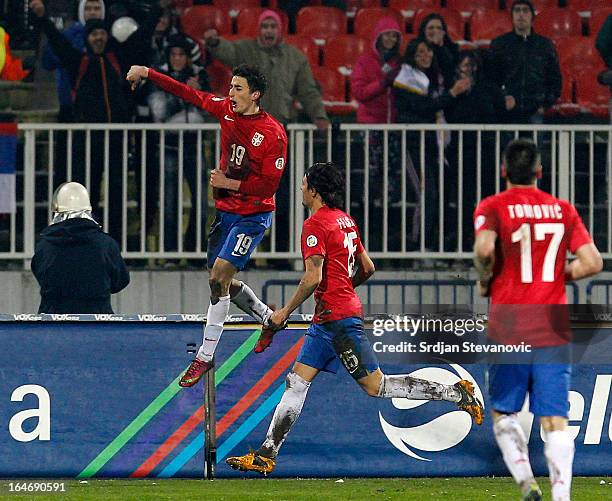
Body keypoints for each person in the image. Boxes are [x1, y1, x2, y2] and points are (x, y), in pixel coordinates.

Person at [225, 161, 484, 476]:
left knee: (376, 386)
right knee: (296, 382)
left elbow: (311, 277)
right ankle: (267, 454)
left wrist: (284, 312)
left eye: (304, 183)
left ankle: (455, 392)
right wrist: (343, 289)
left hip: (337, 319)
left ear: (315, 190)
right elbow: (368, 267)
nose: (301, 188)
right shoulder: (345, 220)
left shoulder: (316, 225)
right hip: (327, 319)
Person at [126, 63, 288, 387]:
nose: (231, 94)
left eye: (238, 88)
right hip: (226, 211)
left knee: (218, 277)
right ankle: (267, 319)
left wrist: (228, 181)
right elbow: (187, 93)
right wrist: (147, 72)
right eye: (230, 87)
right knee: (220, 283)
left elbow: (269, 187)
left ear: (255, 95)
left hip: (253, 216)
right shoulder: (225, 110)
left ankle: (205, 356)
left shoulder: (273, 134)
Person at [473, 139, 602, 501]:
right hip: (552, 323)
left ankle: (527, 481)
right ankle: (562, 496)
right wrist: (560, 276)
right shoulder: (562, 209)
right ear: (539, 172)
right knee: (555, 421)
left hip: (510, 323)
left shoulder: (494, 205)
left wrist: (486, 276)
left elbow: (485, 250)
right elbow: (593, 262)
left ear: (504, 170)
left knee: (503, 411)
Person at [29, 0, 164, 242]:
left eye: (102, 33)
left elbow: (142, 35)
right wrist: (41, 18)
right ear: (87, 38)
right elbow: (57, 41)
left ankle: (114, 241)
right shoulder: (77, 60)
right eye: (94, 34)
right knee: (86, 191)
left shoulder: (120, 57)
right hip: (87, 141)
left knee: (116, 191)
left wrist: (157, 11)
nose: (99, 38)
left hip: (116, 140)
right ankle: (86, 240)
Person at [393, 38, 471, 251]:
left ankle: (429, 245)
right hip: (413, 144)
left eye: (428, 51)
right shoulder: (406, 78)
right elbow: (423, 107)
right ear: (411, 54)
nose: (425, 55)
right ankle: (419, 247)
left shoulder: (432, 78)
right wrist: (453, 93)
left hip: (430, 146)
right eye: (419, 51)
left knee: (437, 195)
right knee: (426, 194)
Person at [203, 9, 329, 129]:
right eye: (265, 26)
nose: (269, 31)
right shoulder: (246, 50)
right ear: (259, 30)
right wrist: (215, 43)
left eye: (273, 27)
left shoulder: (296, 57)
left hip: (282, 124)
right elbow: (229, 52)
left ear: (280, 30)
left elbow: (308, 91)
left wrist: (319, 116)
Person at [146, 33, 212, 252]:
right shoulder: (160, 79)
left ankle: (195, 249)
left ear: (188, 58)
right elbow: (159, 113)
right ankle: (170, 252)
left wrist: (198, 92)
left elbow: (211, 111)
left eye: (181, 55)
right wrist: (186, 94)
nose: (177, 59)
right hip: (168, 147)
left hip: (194, 146)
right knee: (169, 203)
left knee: (201, 202)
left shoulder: (199, 77)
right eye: (173, 54)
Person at [32, 182, 130, 313]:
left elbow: (41, 275)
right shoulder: (106, 244)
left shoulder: (45, 246)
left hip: (52, 323)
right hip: (98, 323)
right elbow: (120, 281)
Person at [486, 0, 561, 124]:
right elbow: (490, 79)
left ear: (532, 17)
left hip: (536, 111)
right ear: (512, 16)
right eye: (517, 10)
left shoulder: (545, 45)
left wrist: (544, 105)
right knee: (508, 144)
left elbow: (555, 80)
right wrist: (501, 99)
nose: (521, 14)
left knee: (535, 144)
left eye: (525, 10)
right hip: (507, 111)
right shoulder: (499, 44)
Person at [41, 0, 106, 123]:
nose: (92, 12)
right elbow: (48, 62)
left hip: (102, 105)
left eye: (96, 8)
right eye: (88, 9)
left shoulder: (110, 37)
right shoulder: (69, 34)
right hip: (70, 103)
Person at [417, 13, 460, 91]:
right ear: (424, 31)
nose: (435, 31)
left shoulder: (453, 49)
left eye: (439, 28)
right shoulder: (415, 48)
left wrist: (439, 47)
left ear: (444, 32)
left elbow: (450, 72)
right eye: (431, 28)